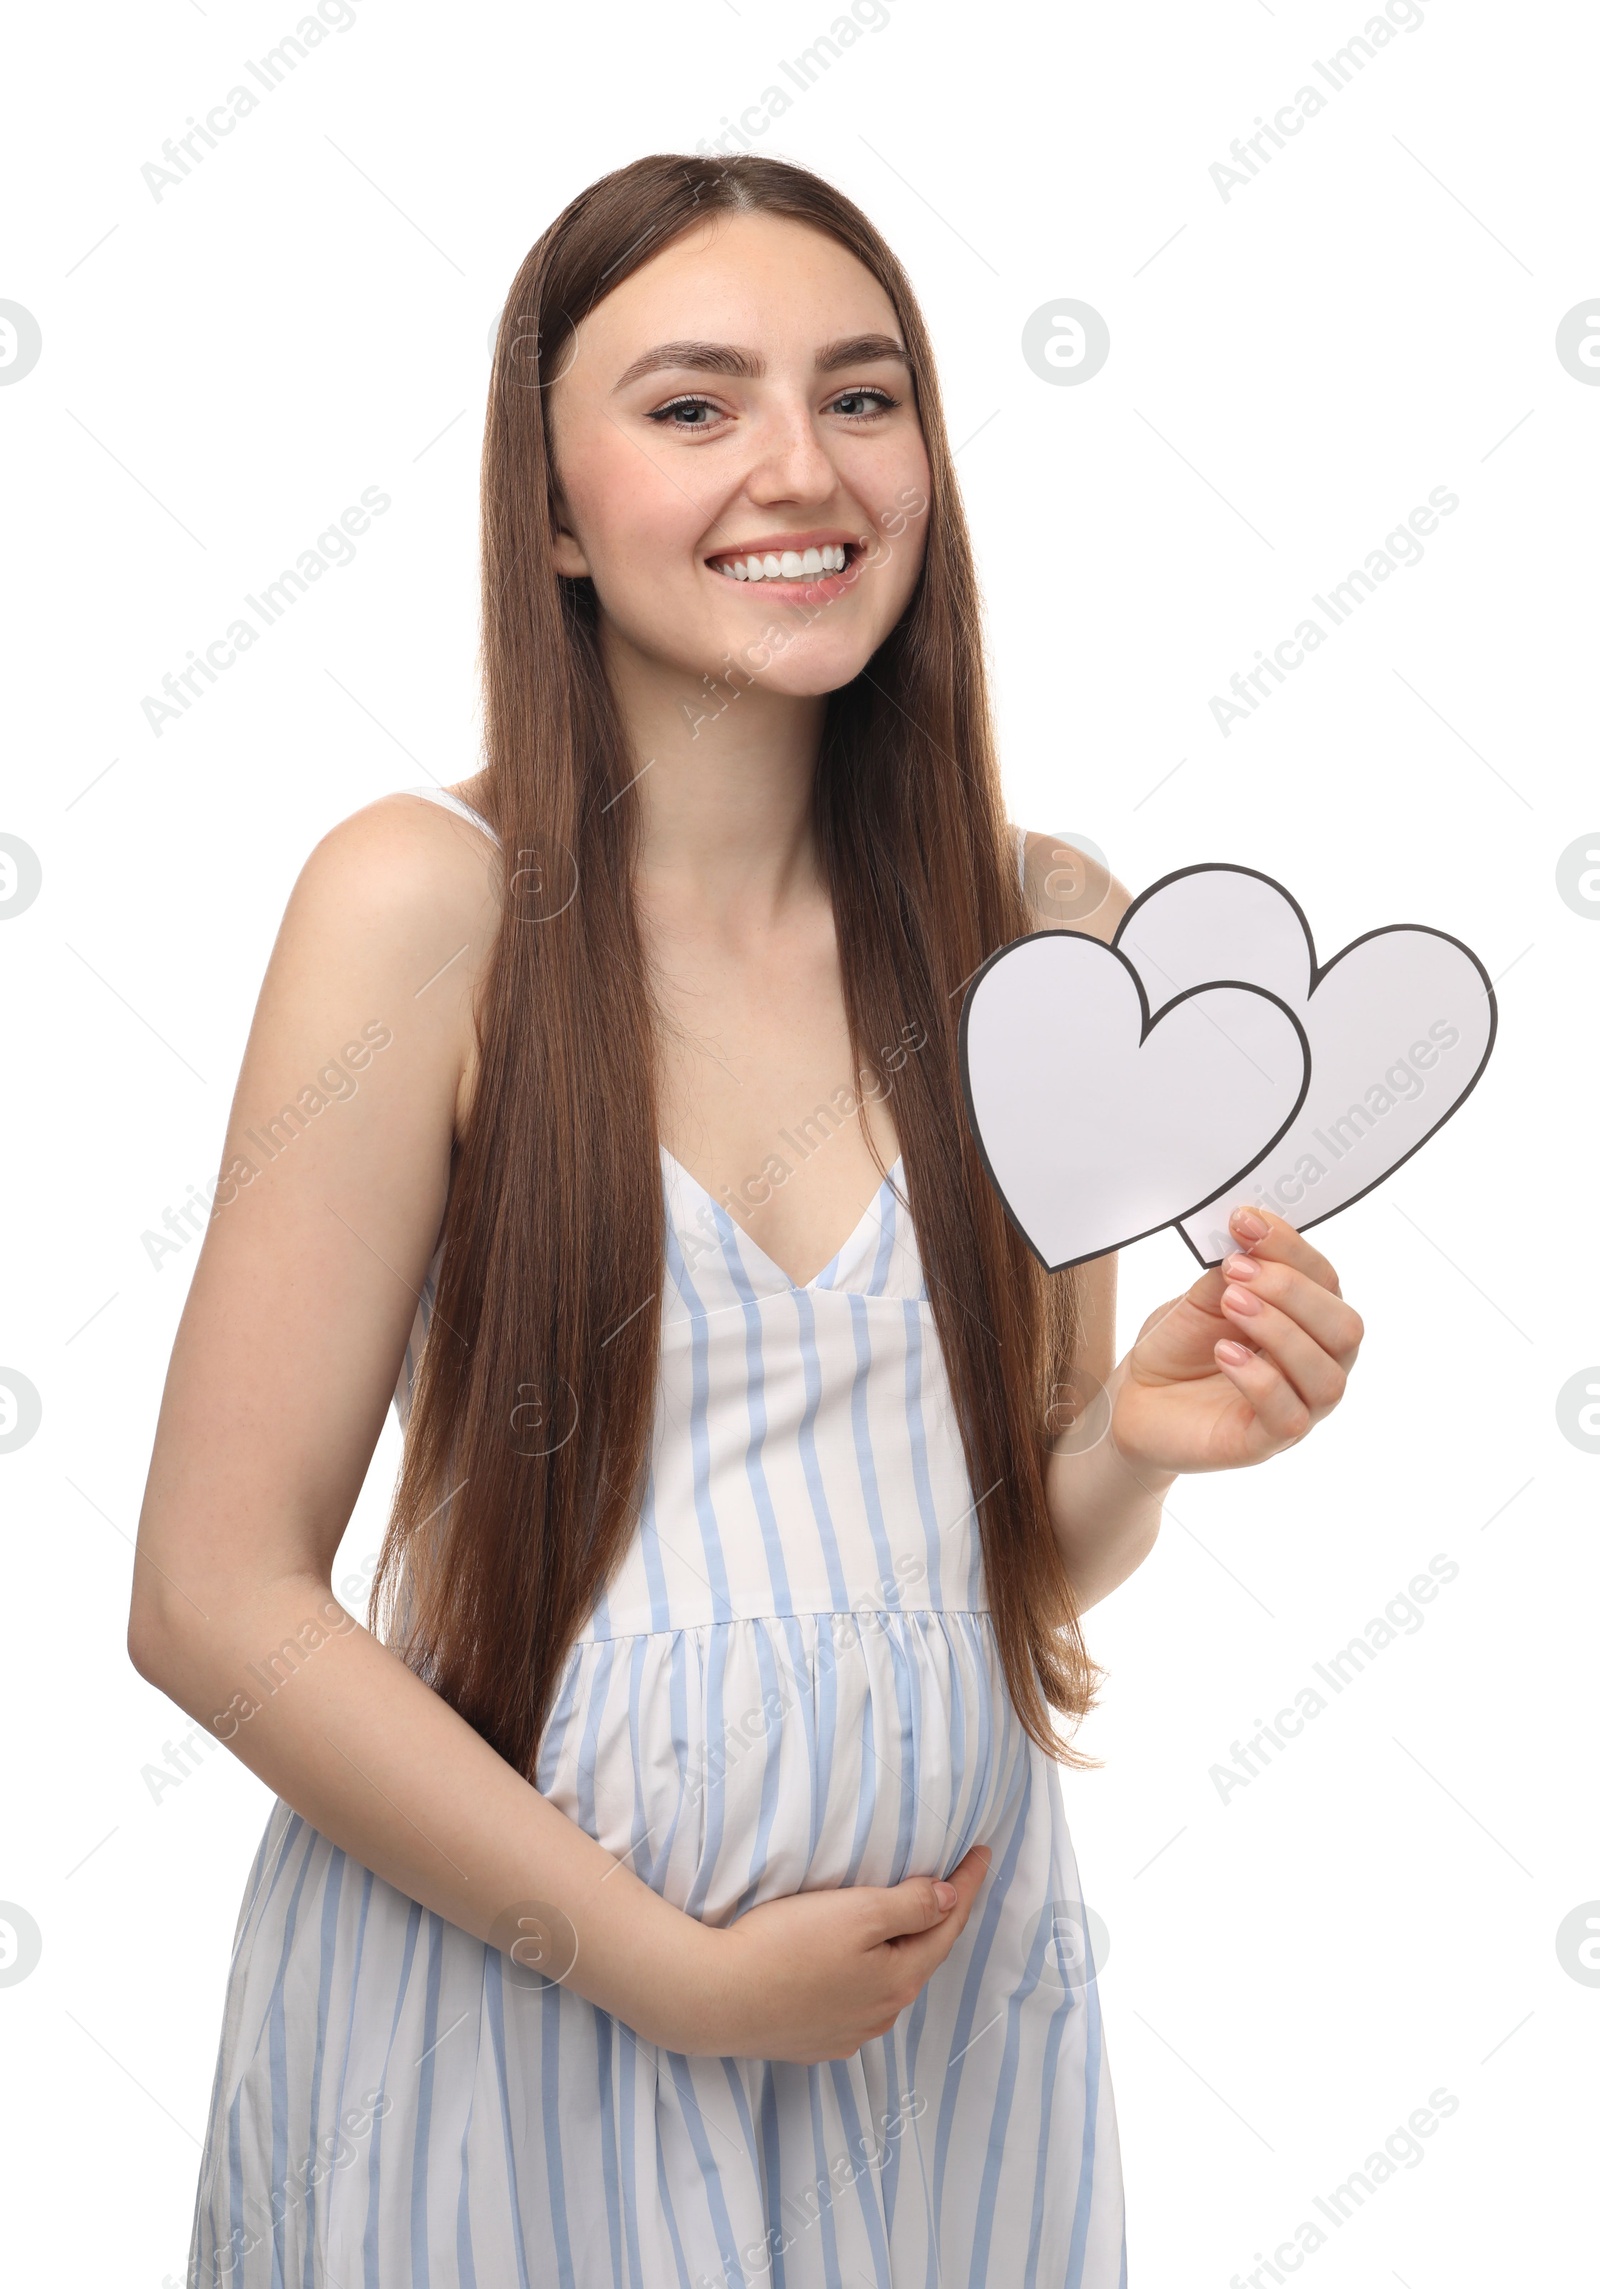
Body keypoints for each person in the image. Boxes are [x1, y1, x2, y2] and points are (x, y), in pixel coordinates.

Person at [128, 152, 1363, 2288]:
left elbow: (993, 1551)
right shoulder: (421, 905)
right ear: (545, 510)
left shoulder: (1040, 927)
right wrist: (654, 1967)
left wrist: (1137, 1446)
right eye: (691, 404)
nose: (799, 466)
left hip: (937, 2038)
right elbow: (211, 1598)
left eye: (861, 396)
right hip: (515, 2020)